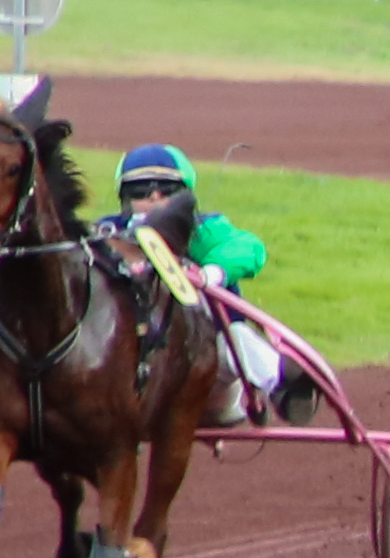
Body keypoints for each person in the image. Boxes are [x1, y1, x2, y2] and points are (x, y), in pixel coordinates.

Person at [112, 143, 306, 425]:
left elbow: (248, 247)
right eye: (140, 191)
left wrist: (210, 274)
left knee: (237, 337)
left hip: (209, 378)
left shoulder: (203, 231)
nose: (154, 197)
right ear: (125, 198)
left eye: (166, 190)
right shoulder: (107, 234)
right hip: (138, 375)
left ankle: (284, 386)